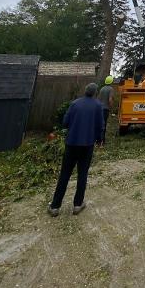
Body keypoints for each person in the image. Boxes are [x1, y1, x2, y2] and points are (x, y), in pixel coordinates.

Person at [48, 82, 103, 217]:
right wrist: (98, 139)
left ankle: (55, 206)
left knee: (65, 174)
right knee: (82, 174)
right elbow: (100, 126)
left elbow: (65, 122)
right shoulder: (97, 106)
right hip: (87, 145)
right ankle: (78, 205)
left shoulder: (75, 104)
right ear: (95, 93)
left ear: (85, 91)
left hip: (72, 144)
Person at [98, 75, 114, 144]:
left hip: (99, 109)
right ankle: (102, 141)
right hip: (105, 109)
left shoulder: (102, 89)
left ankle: (98, 140)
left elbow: (98, 99)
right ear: (111, 82)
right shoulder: (111, 89)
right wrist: (111, 107)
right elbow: (110, 99)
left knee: (99, 124)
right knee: (104, 125)